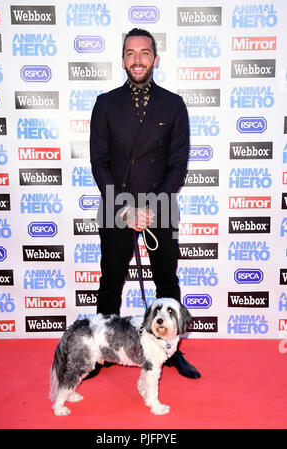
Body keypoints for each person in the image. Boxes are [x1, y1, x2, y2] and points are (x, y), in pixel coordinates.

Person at [89, 28, 200, 379]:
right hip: (116, 205)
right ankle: (100, 352)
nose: (138, 59)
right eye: (131, 53)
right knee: (110, 282)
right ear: (123, 59)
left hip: (160, 205)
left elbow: (177, 164)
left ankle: (172, 350)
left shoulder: (173, 104)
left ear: (155, 58)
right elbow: (99, 162)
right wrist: (126, 208)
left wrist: (151, 206)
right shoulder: (105, 103)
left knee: (167, 281)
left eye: (144, 52)